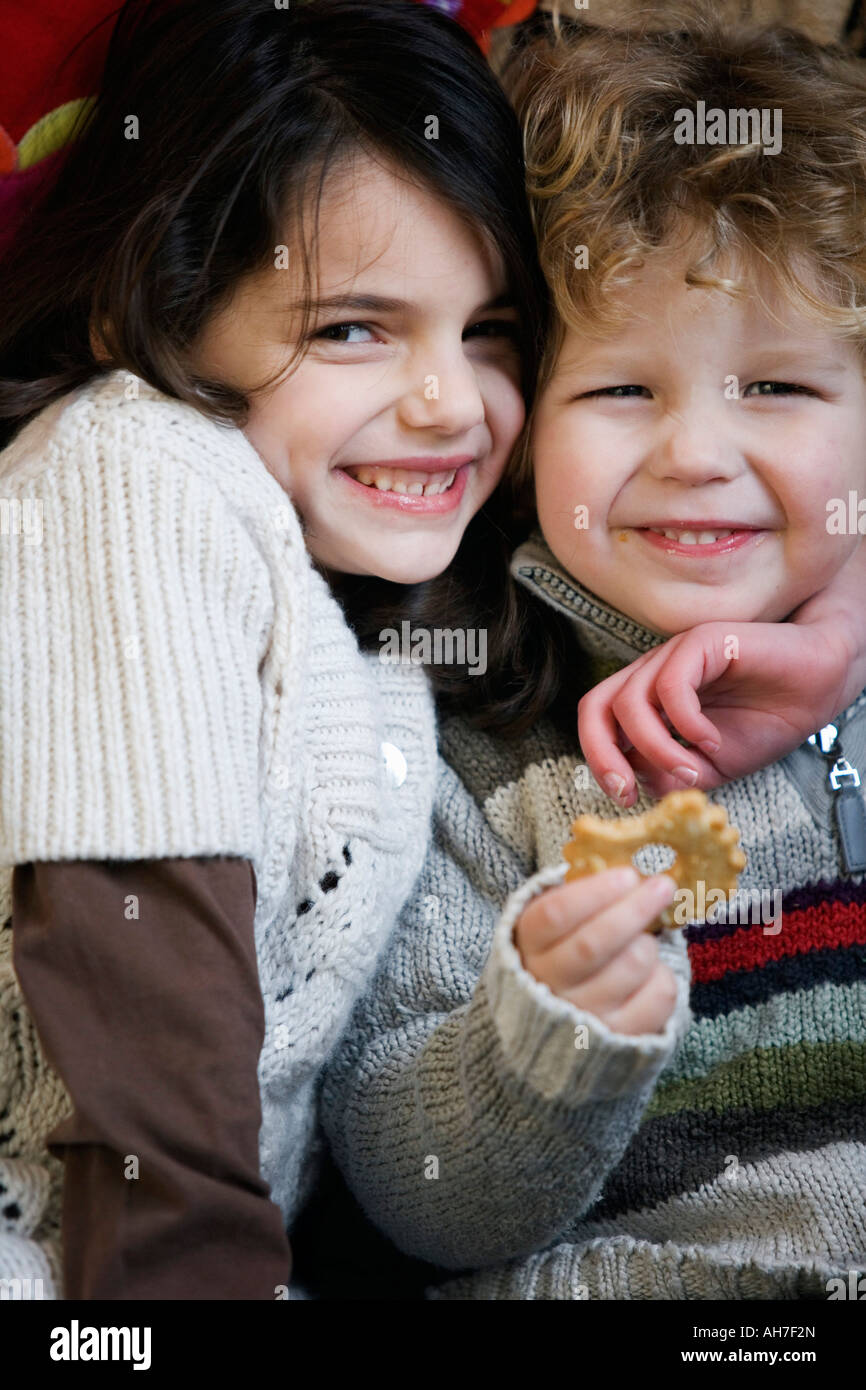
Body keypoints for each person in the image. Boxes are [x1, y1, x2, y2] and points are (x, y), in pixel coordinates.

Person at [0, 0, 547, 1299]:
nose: (448, 401)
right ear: (152, 310)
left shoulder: (389, 648)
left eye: (490, 330)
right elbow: (144, 1027)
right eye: (353, 326)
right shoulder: (130, 471)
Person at [320, 11, 866, 1299]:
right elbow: (421, 1200)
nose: (693, 454)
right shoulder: (454, 752)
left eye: (778, 389)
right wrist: (546, 1032)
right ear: (521, 431)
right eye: (622, 390)